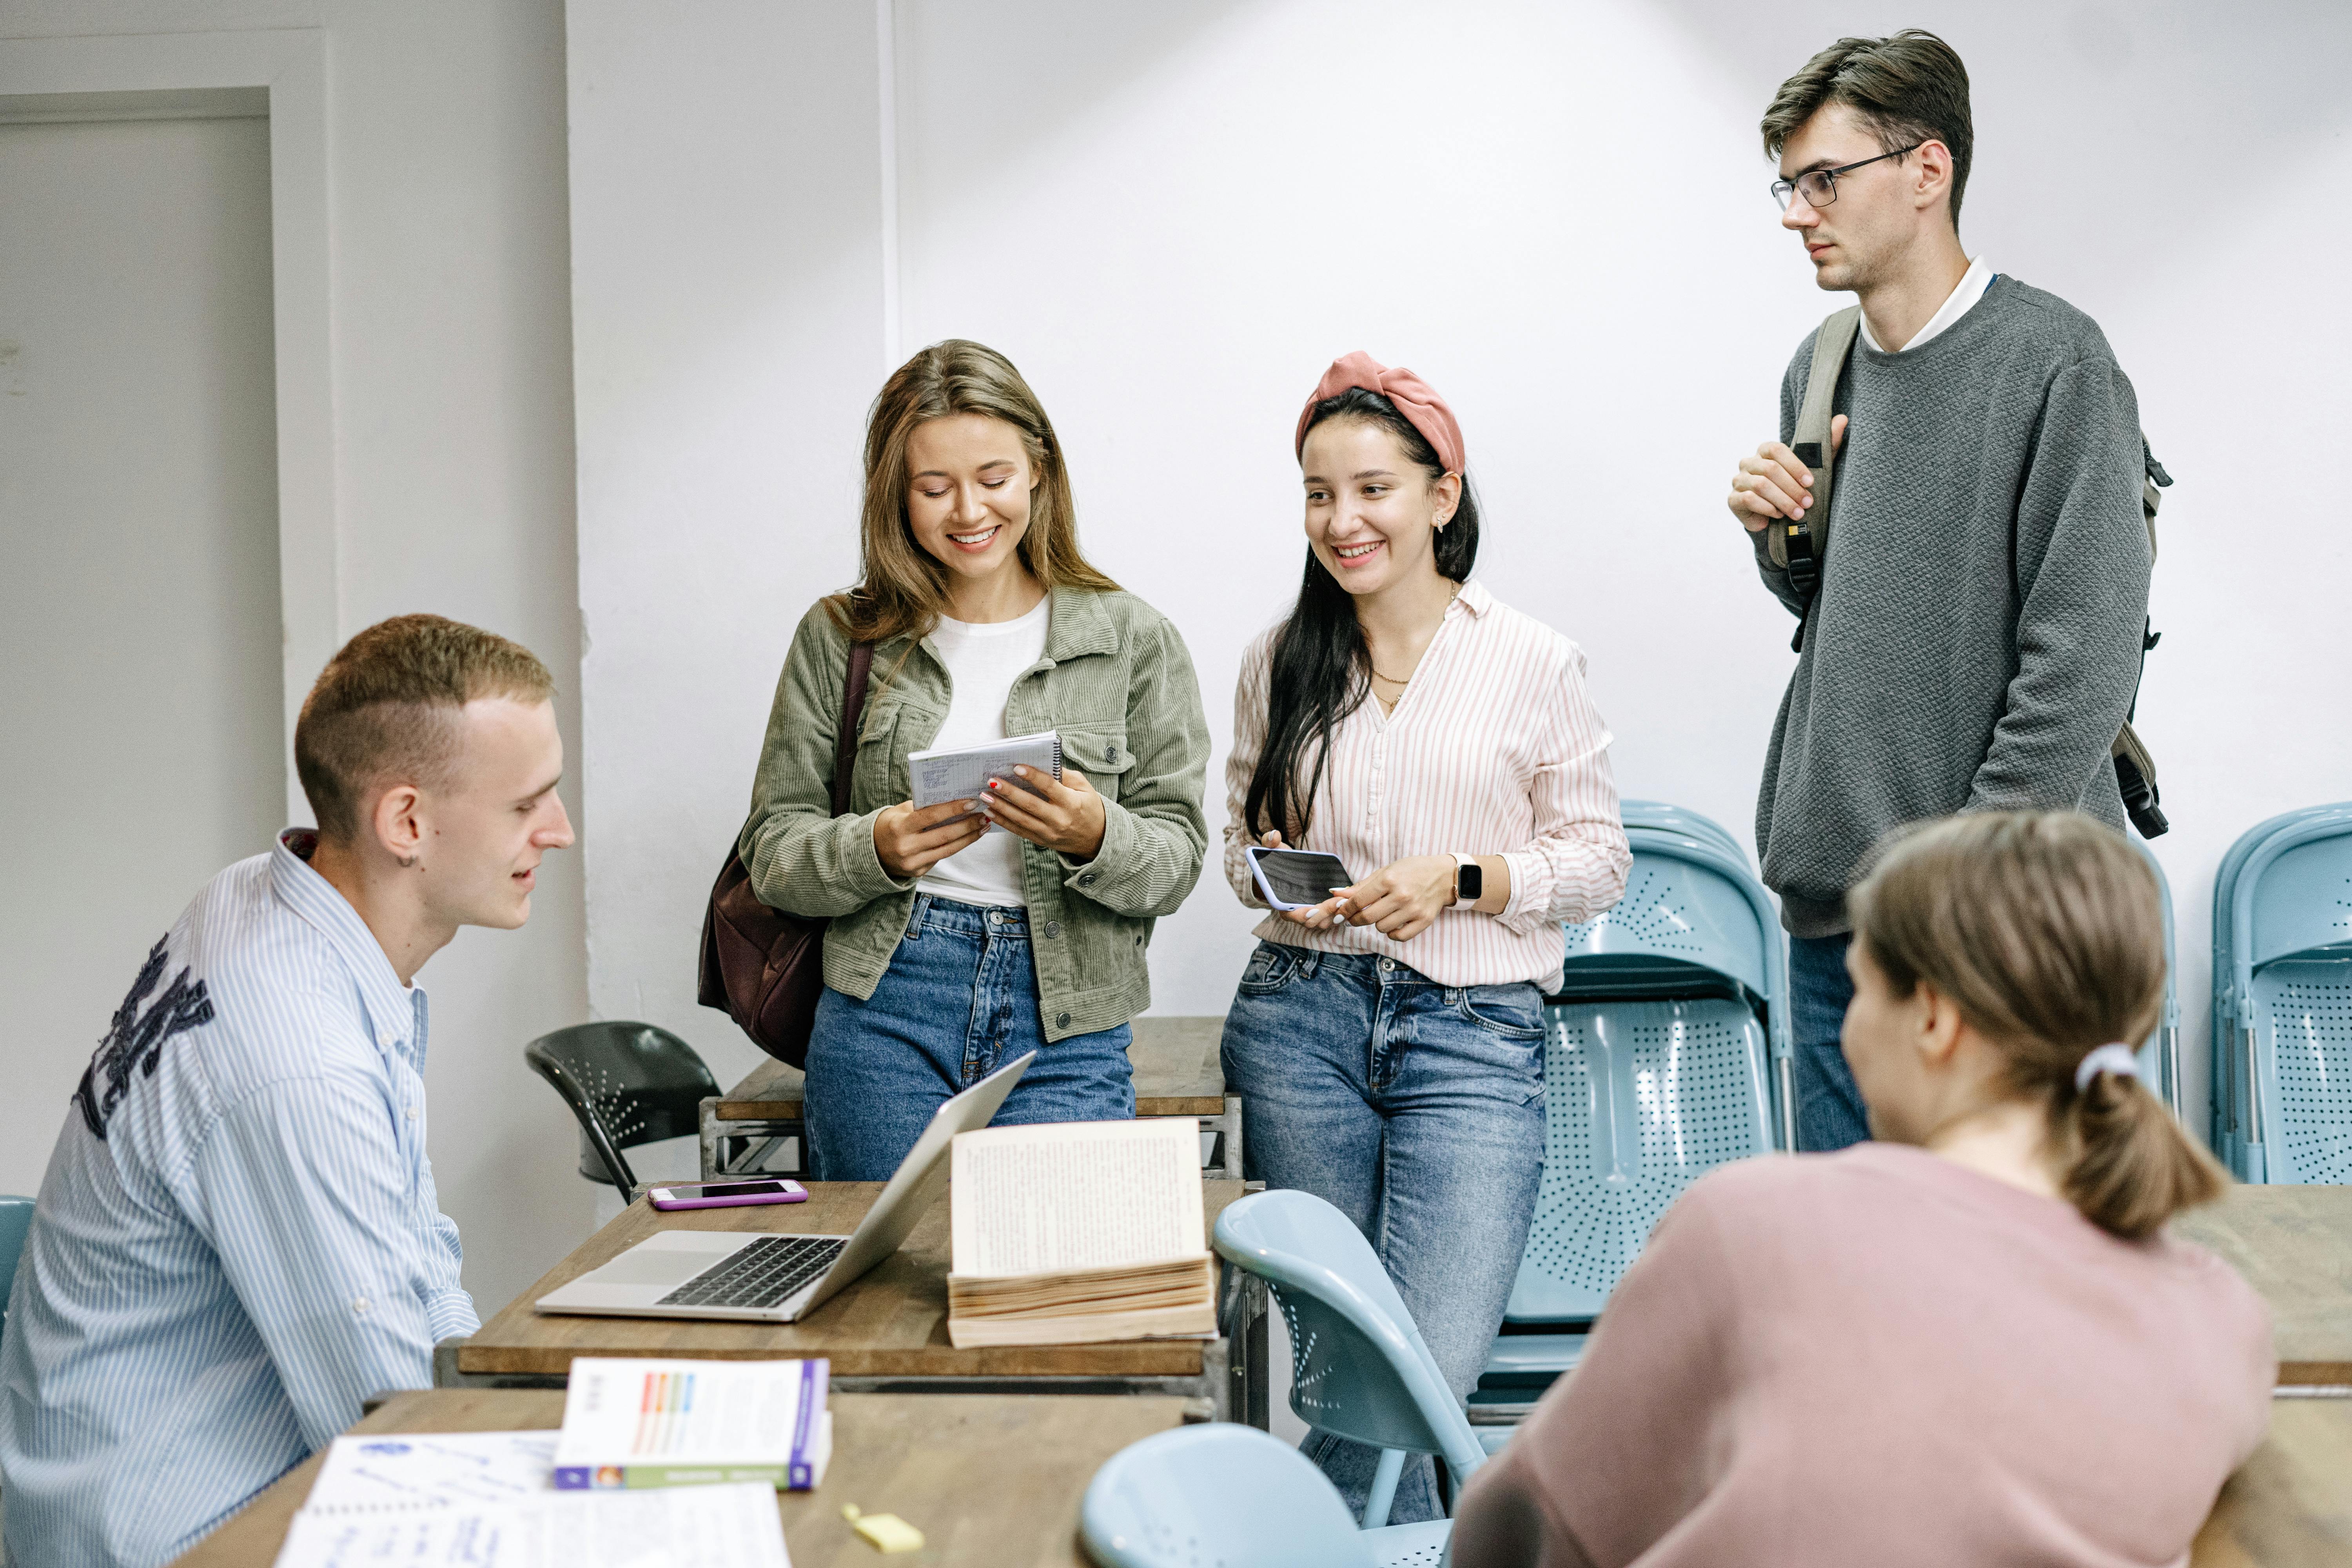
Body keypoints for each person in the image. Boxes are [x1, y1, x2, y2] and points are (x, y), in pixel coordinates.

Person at [1449, 811, 2270, 1568]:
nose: (1846, 1026)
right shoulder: (2223, 1321)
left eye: (1862, 986)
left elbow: (1522, 1531)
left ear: (1934, 1019)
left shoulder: (1758, 1224)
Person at [0, 615, 575, 1568]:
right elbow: (394, 1432)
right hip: (173, 1531)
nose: (558, 829)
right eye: (528, 804)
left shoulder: (260, 895)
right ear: (405, 822)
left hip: (168, 1478)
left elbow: (412, 1265)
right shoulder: (294, 1059)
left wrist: (513, 1417)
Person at [1722, 30, 2156, 1152]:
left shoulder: (2057, 363)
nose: (1795, 211)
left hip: (2001, 931)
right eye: (1789, 182)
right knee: (1852, 1288)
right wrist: (1782, 542)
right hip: (1837, 925)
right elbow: (1848, 614)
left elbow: (2083, 665)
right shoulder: (1817, 367)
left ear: (1927, 171)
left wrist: (1953, 890)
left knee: (2015, 1288)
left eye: (1825, 179)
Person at [1220, 352, 1630, 1524]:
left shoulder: (1533, 659)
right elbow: (1236, 848)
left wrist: (1461, 878)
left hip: (1475, 1036)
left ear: (1442, 495)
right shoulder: (1280, 660)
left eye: (1372, 489)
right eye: (1316, 493)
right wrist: (1280, 881)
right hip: (1299, 1024)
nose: (1341, 521)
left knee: (1418, 1374)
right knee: (1343, 1370)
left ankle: (1281, 1541)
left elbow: (1598, 860)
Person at [740, 339, 1210, 1180]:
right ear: (896, 494)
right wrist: (876, 847)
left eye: (993, 478)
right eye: (934, 487)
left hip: (1067, 1015)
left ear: (1039, 470)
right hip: (885, 1004)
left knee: (1051, 1290)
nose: (968, 511)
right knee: (879, 1293)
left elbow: (1177, 861)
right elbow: (773, 850)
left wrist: (1095, 832)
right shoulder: (840, 639)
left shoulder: (1134, 639)